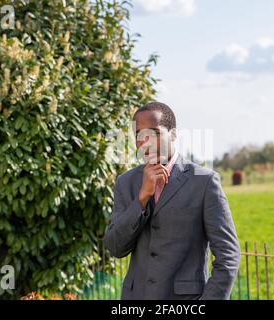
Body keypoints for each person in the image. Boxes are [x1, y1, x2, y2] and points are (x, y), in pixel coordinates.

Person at [103, 101, 240, 300]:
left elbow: (228, 255)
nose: (145, 142)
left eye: (154, 133)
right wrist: (141, 199)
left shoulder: (204, 182)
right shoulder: (126, 182)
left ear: (173, 135)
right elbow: (115, 247)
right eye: (139, 135)